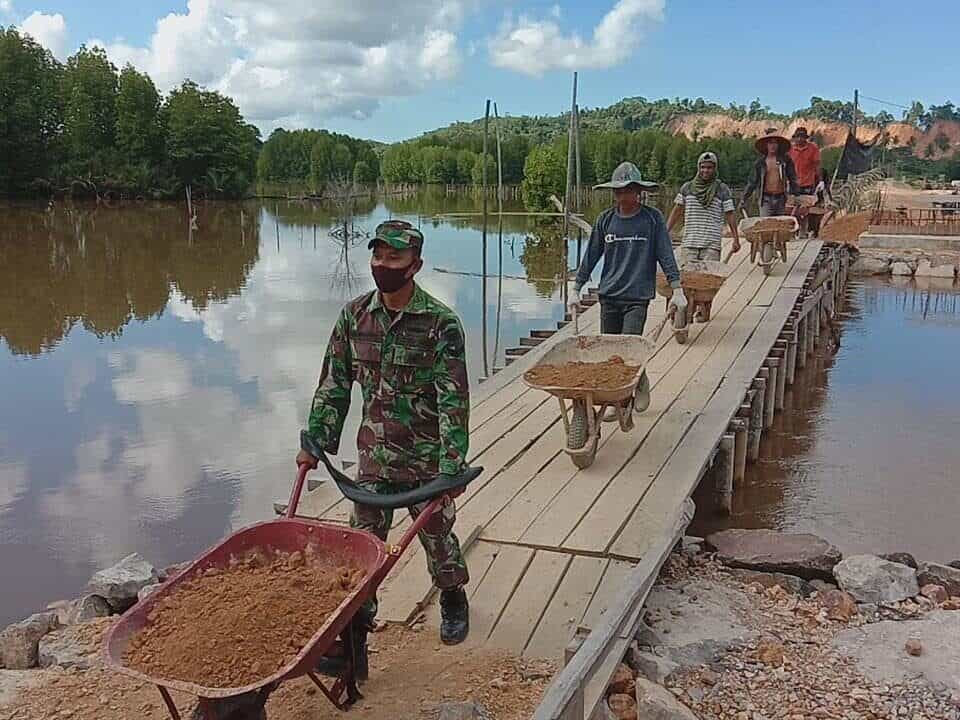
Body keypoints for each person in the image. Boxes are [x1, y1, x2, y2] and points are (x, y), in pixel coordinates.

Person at [297, 220, 471, 646]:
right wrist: (315, 442)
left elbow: (453, 400)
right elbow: (334, 385)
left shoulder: (440, 324)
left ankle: (452, 596)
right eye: (378, 255)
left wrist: (452, 467)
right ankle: (357, 623)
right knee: (364, 544)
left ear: (415, 265)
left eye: (394, 257)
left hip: (427, 460)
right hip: (374, 458)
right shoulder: (354, 318)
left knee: (438, 539)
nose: (383, 264)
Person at [571, 161, 685, 337]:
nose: (623, 196)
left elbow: (666, 254)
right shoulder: (605, 220)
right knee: (609, 354)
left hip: (637, 298)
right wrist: (576, 289)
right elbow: (591, 256)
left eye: (628, 190)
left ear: (639, 191)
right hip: (609, 296)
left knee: (629, 351)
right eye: (618, 191)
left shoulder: (652, 219)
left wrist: (677, 288)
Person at [667, 151, 742, 263]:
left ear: (715, 169)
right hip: (690, 243)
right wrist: (665, 231)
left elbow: (730, 214)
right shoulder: (687, 188)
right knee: (688, 278)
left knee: (708, 277)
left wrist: (736, 239)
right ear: (698, 167)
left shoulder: (722, 189)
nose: (705, 171)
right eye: (702, 167)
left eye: (709, 167)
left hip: (711, 244)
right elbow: (677, 210)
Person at [741, 130, 798, 217]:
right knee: (765, 224)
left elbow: (792, 178)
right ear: (766, 145)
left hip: (781, 198)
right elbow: (752, 182)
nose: (773, 146)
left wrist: (795, 195)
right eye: (770, 143)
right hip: (766, 199)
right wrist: (744, 198)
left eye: (775, 143)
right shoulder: (760, 163)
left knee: (781, 225)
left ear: (778, 145)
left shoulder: (785, 160)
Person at [789, 127, 823, 237]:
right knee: (793, 209)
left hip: (807, 183)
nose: (800, 139)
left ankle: (803, 230)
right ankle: (793, 229)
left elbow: (817, 165)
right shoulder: (790, 150)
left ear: (805, 138)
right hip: (793, 184)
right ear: (795, 138)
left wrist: (821, 181)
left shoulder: (812, 149)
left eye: (802, 137)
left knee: (804, 209)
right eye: (798, 137)